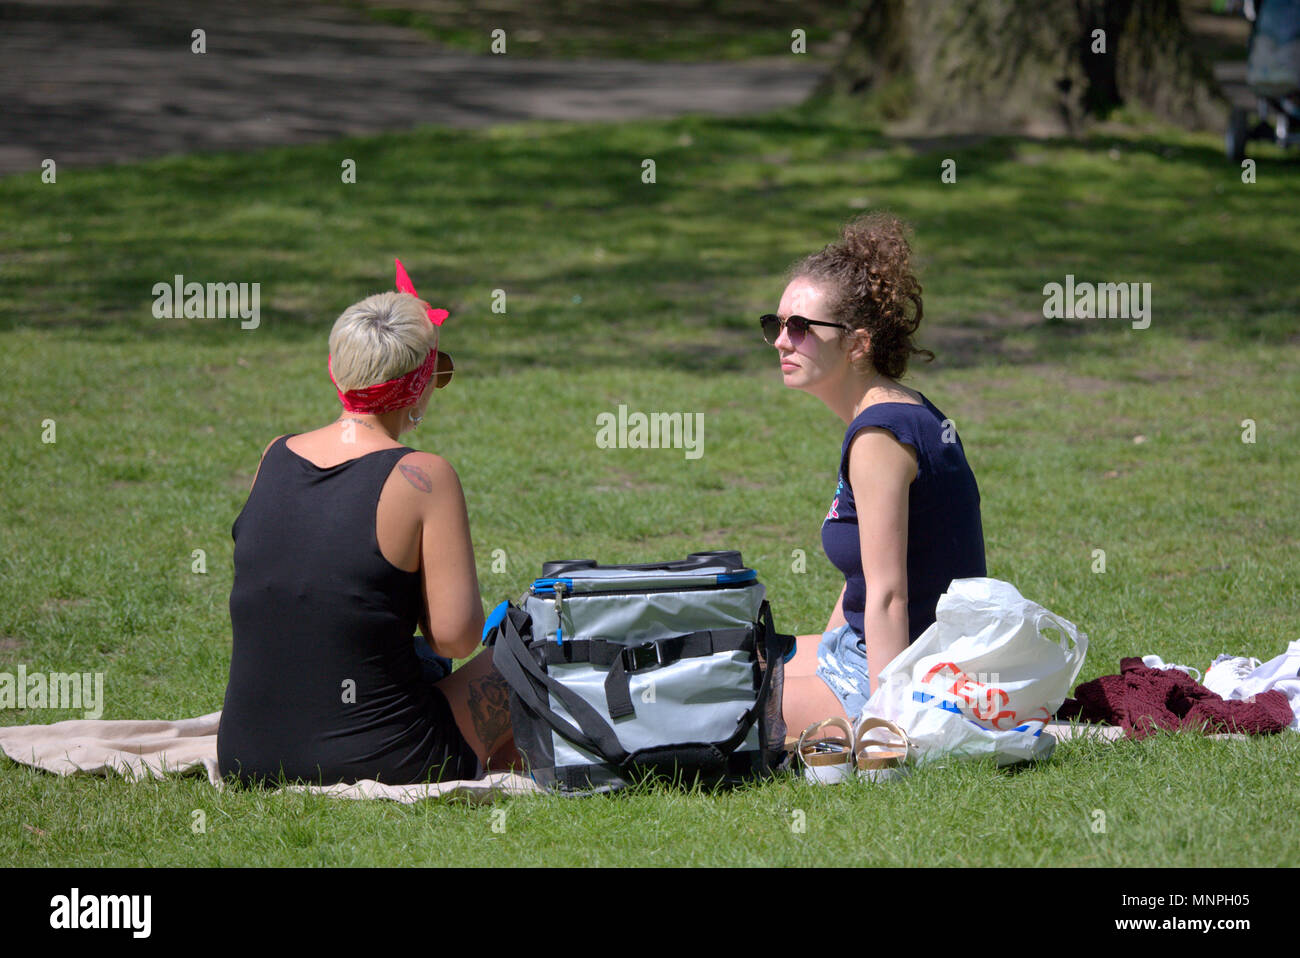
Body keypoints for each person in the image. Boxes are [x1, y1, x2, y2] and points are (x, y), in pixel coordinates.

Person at [217, 263, 519, 786]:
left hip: (248, 753)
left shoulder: (274, 456)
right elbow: (455, 638)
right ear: (420, 386)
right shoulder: (423, 476)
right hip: (387, 758)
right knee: (535, 654)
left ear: (338, 369)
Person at [766, 214, 987, 737]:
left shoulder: (880, 437)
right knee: (733, 661)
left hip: (902, 674)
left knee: (711, 706)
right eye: (774, 325)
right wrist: (820, 664)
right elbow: (863, 582)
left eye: (799, 328)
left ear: (857, 344)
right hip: (868, 650)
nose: (780, 341)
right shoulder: (901, 410)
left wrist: (886, 728)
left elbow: (889, 597)